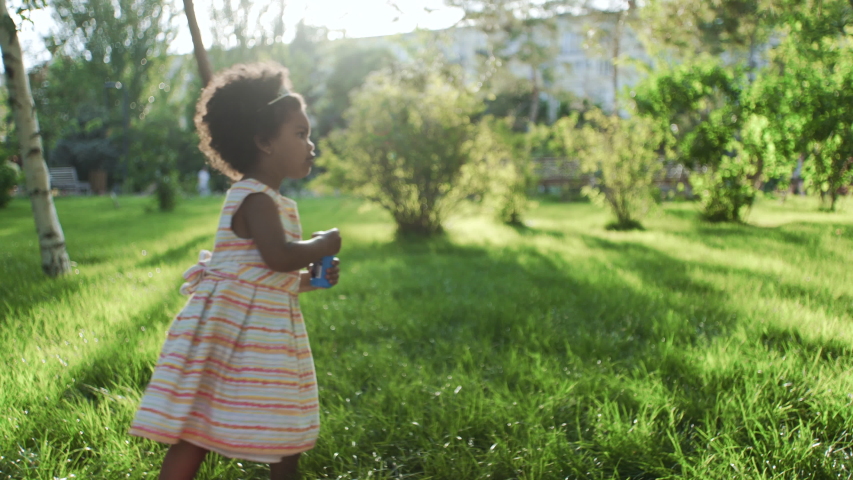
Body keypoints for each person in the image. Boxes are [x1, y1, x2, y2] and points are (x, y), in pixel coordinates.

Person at [128, 63, 342, 480]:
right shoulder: (256, 199)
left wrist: (311, 280)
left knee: (228, 429)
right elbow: (279, 257)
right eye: (300, 134)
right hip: (240, 340)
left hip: (254, 337)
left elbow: (264, 277)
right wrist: (323, 245)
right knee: (228, 431)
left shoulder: (266, 199)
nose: (311, 145)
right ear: (264, 141)